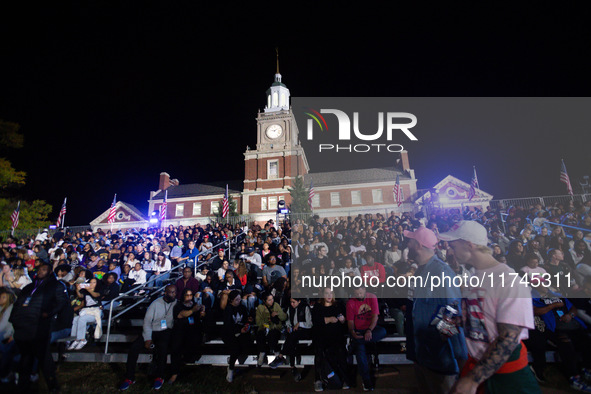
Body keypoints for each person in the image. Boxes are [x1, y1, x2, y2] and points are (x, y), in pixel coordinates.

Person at [440, 221, 540, 394]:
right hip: (480, 365)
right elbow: (478, 318)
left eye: (454, 246)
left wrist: (472, 380)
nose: (450, 251)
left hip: (507, 375)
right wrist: (451, 324)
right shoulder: (474, 277)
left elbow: (508, 338)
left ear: (469, 245)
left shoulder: (508, 279)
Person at [403, 226, 467, 394]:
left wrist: (438, 343)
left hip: (439, 359)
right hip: (422, 354)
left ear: (418, 245)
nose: (407, 244)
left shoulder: (441, 271)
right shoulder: (420, 271)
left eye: (410, 241)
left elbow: (452, 311)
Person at [9, 263, 69, 392]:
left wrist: (48, 313)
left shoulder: (55, 286)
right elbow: (18, 303)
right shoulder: (29, 287)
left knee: (44, 357)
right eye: (39, 269)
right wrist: (14, 318)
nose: (40, 271)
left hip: (40, 326)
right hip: (23, 326)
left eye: (44, 269)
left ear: (49, 271)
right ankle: (23, 385)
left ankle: (52, 385)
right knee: (25, 357)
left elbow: (62, 302)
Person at [119, 285, 177, 391]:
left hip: (165, 331)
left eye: (174, 292)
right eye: (170, 292)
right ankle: (129, 377)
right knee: (134, 348)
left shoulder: (176, 303)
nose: (172, 294)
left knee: (162, 349)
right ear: (165, 292)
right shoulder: (155, 303)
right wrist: (147, 338)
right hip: (152, 329)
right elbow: (147, 321)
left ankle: (160, 376)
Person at [346, 285, 387, 391]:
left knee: (383, 331)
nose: (359, 296)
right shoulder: (351, 302)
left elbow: (375, 316)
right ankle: (367, 382)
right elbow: (350, 322)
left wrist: (369, 330)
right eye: (357, 294)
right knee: (361, 357)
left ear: (364, 289)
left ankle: (354, 342)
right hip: (359, 331)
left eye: (360, 293)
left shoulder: (372, 297)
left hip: (371, 329)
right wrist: (352, 331)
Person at [312, 287, 350, 392]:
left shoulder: (338, 305)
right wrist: (328, 319)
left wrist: (343, 320)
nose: (329, 296)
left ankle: (344, 379)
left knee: (340, 351)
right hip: (322, 337)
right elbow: (315, 321)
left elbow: (345, 323)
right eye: (327, 293)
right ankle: (318, 380)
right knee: (319, 352)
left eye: (331, 293)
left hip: (336, 337)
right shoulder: (318, 306)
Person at [269, 297, 313, 381]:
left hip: (304, 331)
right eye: (291, 302)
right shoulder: (290, 309)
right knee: (291, 340)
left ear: (299, 301)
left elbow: (309, 324)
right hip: (294, 332)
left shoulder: (305, 308)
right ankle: (292, 367)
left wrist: (299, 324)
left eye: (294, 302)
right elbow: (288, 321)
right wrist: (289, 327)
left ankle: (281, 356)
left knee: (292, 337)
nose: (292, 304)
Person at [169, 288, 205, 383]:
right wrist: (193, 310)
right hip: (180, 331)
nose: (189, 298)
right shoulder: (179, 305)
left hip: (193, 332)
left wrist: (202, 313)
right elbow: (181, 315)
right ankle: (174, 373)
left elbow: (199, 317)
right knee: (176, 347)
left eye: (190, 295)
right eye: (187, 295)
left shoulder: (195, 305)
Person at [223, 289, 253, 383]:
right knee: (235, 348)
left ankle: (233, 361)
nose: (239, 301)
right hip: (230, 333)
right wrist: (238, 330)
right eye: (236, 299)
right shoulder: (228, 309)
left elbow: (244, 320)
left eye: (240, 299)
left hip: (241, 332)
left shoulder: (242, 307)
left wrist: (248, 322)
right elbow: (228, 325)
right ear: (231, 300)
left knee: (246, 344)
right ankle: (231, 369)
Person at [68, 277, 103, 350]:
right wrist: (77, 289)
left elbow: (95, 295)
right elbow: (80, 296)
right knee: (75, 319)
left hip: (95, 312)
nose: (92, 284)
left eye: (94, 282)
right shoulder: (85, 292)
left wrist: (89, 289)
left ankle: (82, 339)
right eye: (91, 282)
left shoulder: (99, 290)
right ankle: (75, 338)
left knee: (82, 319)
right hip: (86, 311)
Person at [255, 291, 287, 367]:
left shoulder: (276, 305)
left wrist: (278, 314)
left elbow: (284, 317)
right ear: (264, 301)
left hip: (275, 328)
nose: (272, 301)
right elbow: (258, 322)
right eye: (269, 300)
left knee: (273, 335)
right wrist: (268, 321)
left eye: (272, 299)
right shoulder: (260, 308)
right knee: (260, 335)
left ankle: (277, 356)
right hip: (264, 328)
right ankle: (262, 354)